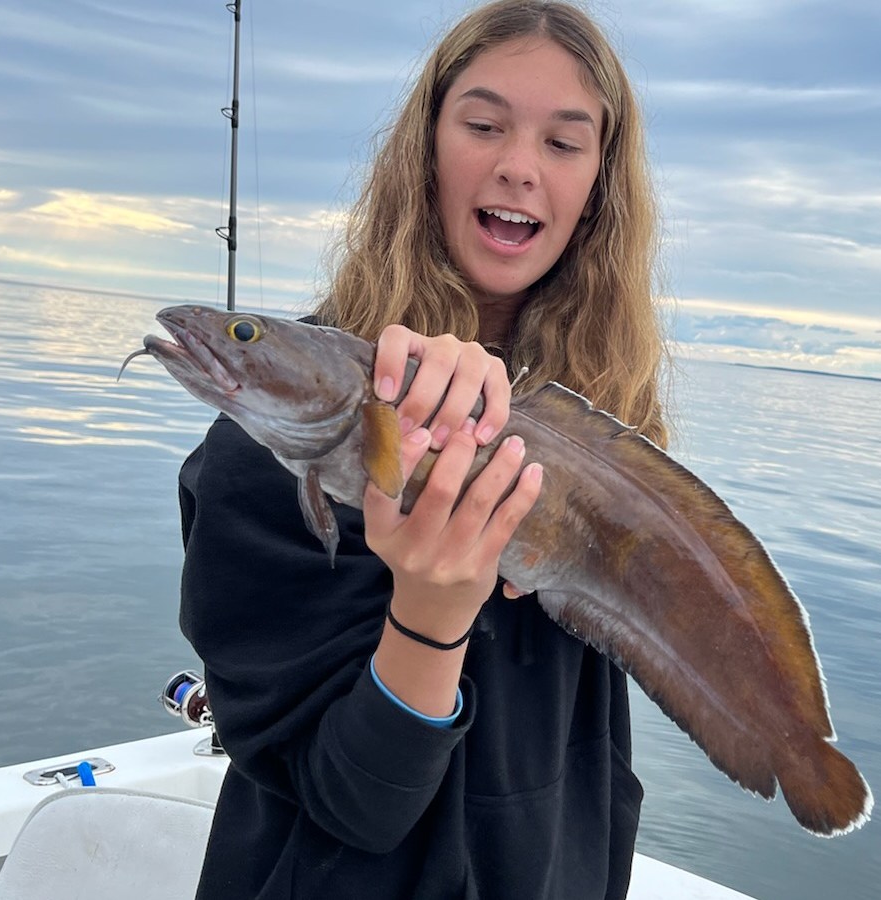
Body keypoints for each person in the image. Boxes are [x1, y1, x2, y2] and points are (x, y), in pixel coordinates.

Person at [177, 1, 670, 897]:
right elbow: (352, 806)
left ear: (600, 188)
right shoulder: (258, 456)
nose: (518, 167)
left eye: (565, 144)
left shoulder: (604, 447)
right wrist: (430, 611)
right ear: (425, 152)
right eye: (483, 125)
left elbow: (592, 757)